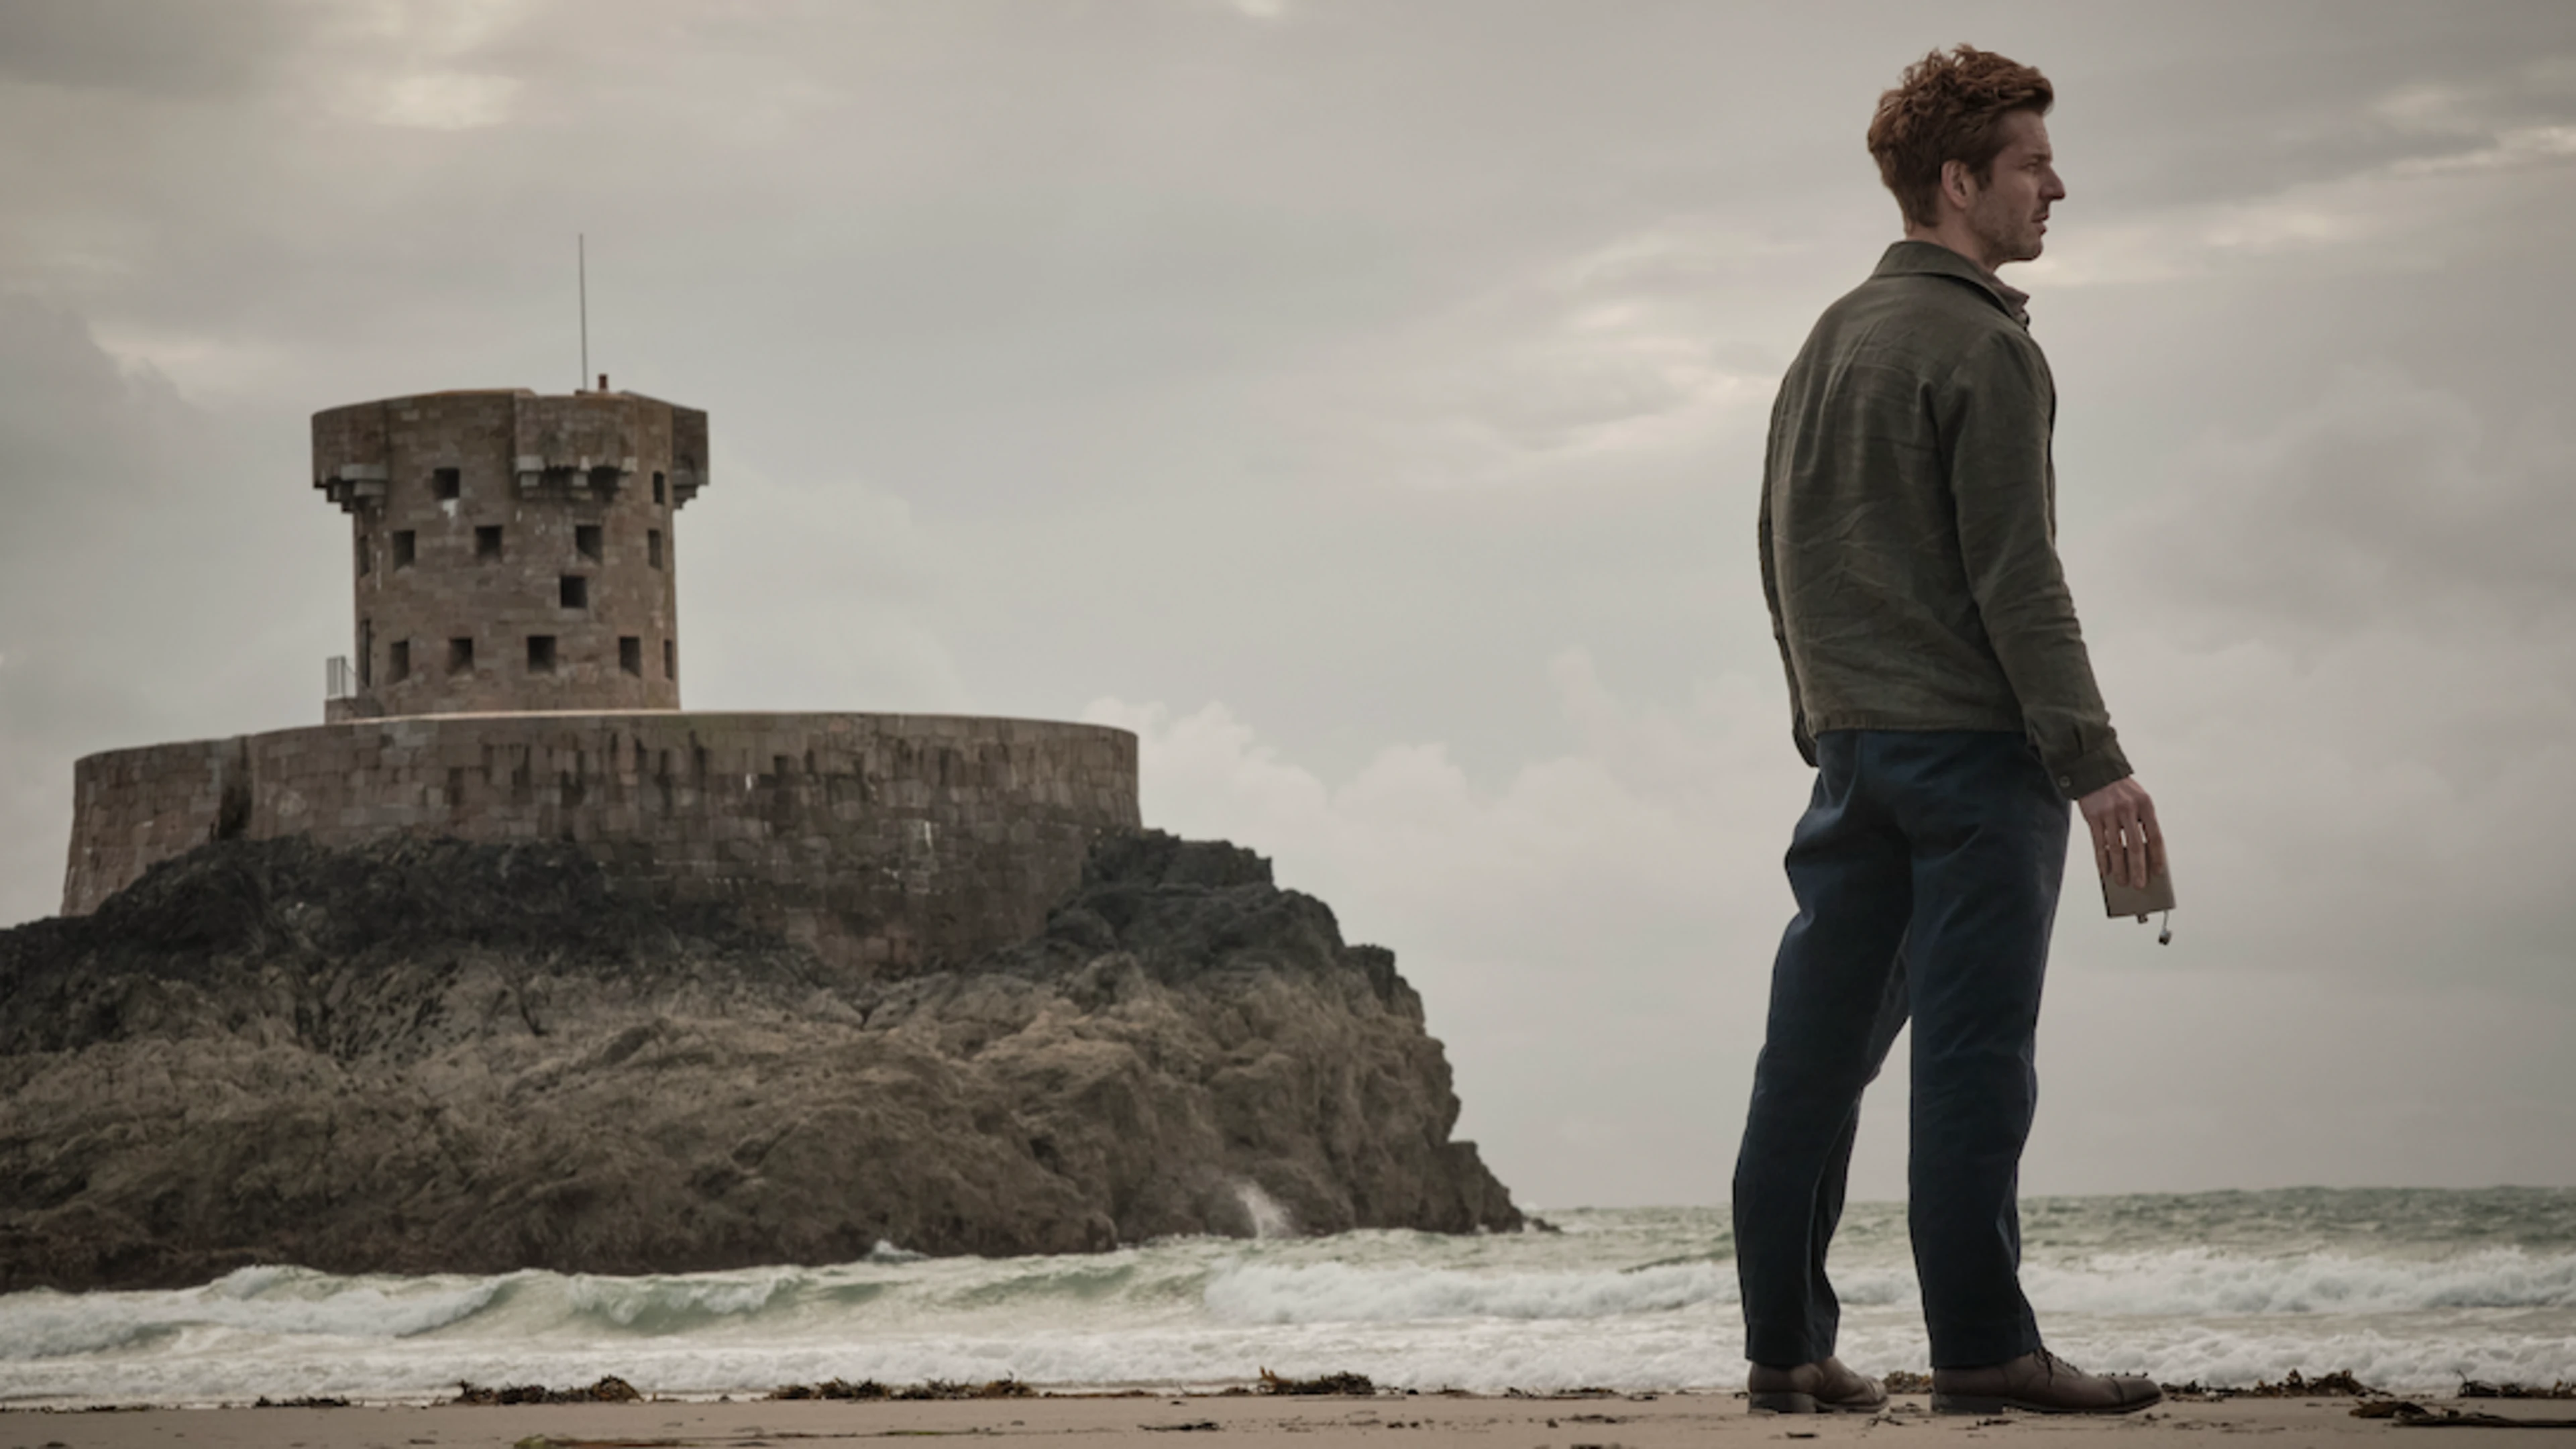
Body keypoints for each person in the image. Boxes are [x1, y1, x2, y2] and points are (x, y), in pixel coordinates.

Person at [1730, 45, 2167, 1417]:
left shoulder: (1832, 334)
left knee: (1810, 1062)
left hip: (1853, 754)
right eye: (2033, 164)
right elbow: (2019, 580)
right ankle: (1983, 1350)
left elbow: (1775, 545)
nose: (2058, 188)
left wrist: (1824, 722)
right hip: (1978, 761)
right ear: (1960, 181)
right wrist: (2095, 768)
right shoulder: (1984, 342)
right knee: (1975, 1063)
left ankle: (1786, 1353)